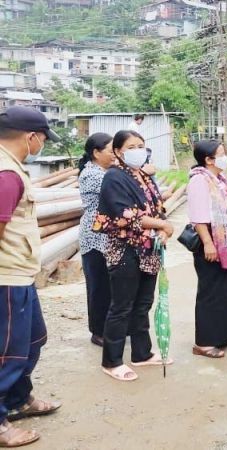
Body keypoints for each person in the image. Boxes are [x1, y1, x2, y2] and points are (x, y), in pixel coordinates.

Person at [0, 106, 62, 447]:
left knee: (32, 341)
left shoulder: (12, 168)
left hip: (21, 273)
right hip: (6, 278)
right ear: (31, 137)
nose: (42, 144)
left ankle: (19, 399)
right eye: (42, 138)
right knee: (8, 352)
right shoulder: (6, 175)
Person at [93, 130, 175, 381]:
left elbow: (157, 207)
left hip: (149, 249)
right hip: (125, 249)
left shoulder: (144, 176)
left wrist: (163, 228)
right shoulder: (114, 178)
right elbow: (125, 215)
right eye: (131, 146)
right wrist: (161, 226)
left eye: (141, 145)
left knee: (143, 304)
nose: (138, 150)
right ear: (118, 151)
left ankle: (142, 353)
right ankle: (112, 360)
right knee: (122, 306)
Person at [186, 141, 227, 358]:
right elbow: (198, 216)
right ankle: (203, 342)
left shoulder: (219, 179)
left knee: (225, 290)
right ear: (208, 159)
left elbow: (222, 208)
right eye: (221, 154)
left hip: (226, 242)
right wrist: (208, 243)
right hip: (211, 243)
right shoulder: (199, 181)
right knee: (211, 292)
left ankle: (221, 335)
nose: (225, 156)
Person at [78, 132, 116, 347]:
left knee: (111, 286)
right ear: (96, 153)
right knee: (99, 286)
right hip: (95, 238)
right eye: (111, 151)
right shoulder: (92, 174)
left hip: (107, 237)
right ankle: (98, 331)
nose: (114, 155)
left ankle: (110, 327)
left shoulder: (105, 171)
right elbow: (116, 191)